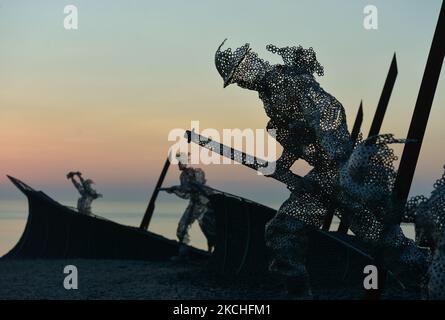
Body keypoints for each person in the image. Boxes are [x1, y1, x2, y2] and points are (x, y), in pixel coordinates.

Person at [215, 40, 427, 297]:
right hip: (323, 178)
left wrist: (337, 162)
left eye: (238, 77)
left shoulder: (288, 80)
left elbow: (329, 110)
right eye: (236, 81)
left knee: (384, 240)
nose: (241, 83)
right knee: (282, 231)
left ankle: (429, 282)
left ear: (248, 65)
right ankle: (298, 294)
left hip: (342, 172)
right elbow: (297, 134)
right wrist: (283, 165)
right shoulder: (269, 94)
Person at [164, 154, 216, 254]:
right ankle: (186, 250)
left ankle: (183, 251)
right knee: (206, 228)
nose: (178, 164)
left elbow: (189, 190)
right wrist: (175, 189)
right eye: (178, 162)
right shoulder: (184, 175)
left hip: (199, 204)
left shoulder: (194, 173)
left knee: (184, 226)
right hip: (197, 203)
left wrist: (175, 189)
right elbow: (186, 192)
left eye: (180, 162)